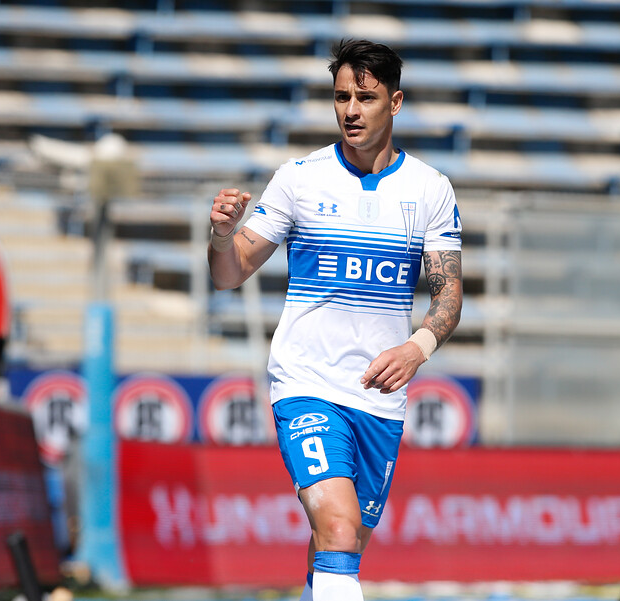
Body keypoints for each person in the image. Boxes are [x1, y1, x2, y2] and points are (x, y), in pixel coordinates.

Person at [207, 38, 463, 601]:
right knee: (340, 527)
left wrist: (417, 347)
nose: (351, 110)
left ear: (395, 102)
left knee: (337, 547)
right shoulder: (300, 178)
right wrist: (223, 236)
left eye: (365, 98)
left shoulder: (430, 189)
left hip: (379, 399)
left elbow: (448, 293)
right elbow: (229, 274)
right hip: (307, 384)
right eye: (341, 97)